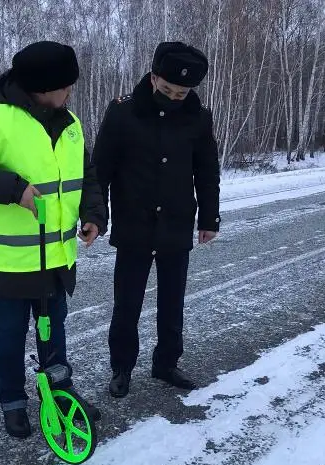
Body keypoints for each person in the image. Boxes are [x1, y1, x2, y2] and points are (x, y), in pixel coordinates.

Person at [0, 41, 107, 438]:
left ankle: (60, 391)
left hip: (56, 257)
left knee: (55, 329)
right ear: (42, 86)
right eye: (66, 85)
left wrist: (93, 214)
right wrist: (14, 188)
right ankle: (13, 401)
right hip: (10, 263)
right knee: (12, 331)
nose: (71, 91)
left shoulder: (69, 124)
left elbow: (86, 177)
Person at [93, 41, 221, 398]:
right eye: (167, 89)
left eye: (182, 92)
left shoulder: (198, 117)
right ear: (153, 77)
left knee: (171, 302)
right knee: (127, 304)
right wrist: (97, 216)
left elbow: (207, 171)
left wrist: (209, 217)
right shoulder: (123, 112)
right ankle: (121, 368)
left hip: (176, 225)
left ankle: (166, 363)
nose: (174, 96)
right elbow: (100, 170)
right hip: (134, 225)